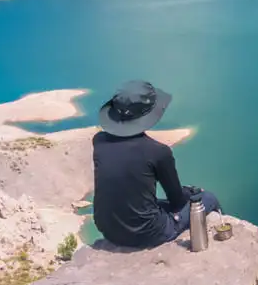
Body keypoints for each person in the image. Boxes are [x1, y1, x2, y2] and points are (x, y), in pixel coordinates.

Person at [93, 80, 221, 248]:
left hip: (108, 228)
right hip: (148, 234)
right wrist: (190, 193)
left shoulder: (99, 141)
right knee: (207, 198)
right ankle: (221, 232)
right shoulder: (158, 151)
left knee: (150, 204)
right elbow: (177, 202)